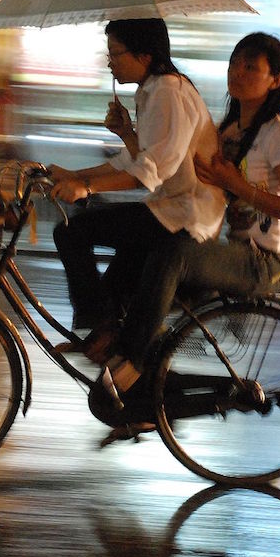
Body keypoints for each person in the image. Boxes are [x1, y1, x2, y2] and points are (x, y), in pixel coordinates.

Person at [98, 32, 280, 401]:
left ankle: (129, 362)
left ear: (275, 80)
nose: (237, 73)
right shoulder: (227, 132)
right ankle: (147, 396)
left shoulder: (279, 136)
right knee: (148, 265)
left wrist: (239, 186)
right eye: (234, 63)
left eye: (250, 67)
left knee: (174, 258)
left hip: (267, 261)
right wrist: (129, 134)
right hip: (231, 251)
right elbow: (171, 174)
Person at [47, 18, 226, 352]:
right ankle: (109, 337)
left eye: (116, 52)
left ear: (145, 56)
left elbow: (151, 171)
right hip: (169, 208)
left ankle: (103, 332)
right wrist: (75, 174)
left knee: (70, 231)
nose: (110, 61)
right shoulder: (152, 91)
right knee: (113, 290)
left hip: (186, 215)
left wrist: (86, 187)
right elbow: (135, 160)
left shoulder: (168, 92)